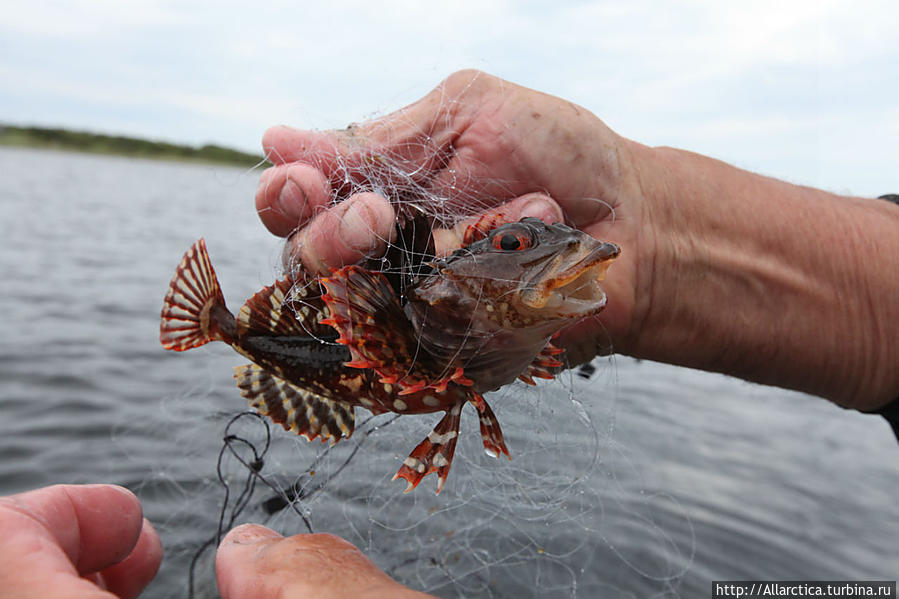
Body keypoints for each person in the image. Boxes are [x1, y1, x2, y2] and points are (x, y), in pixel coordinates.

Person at [3, 70, 897, 597]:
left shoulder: (523, 299)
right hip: (322, 352)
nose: (577, 249)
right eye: (513, 243)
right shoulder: (426, 313)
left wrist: (642, 235)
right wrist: (650, 221)